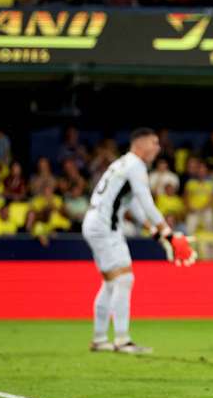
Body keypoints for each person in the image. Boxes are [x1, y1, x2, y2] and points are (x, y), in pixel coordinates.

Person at [82, 128, 195, 354]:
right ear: (141, 144)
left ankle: (100, 338)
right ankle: (122, 340)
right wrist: (168, 233)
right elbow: (146, 202)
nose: (158, 147)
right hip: (106, 227)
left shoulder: (123, 164)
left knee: (111, 282)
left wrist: (155, 232)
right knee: (125, 280)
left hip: (96, 223)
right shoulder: (135, 165)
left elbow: (133, 206)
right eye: (154, 143)